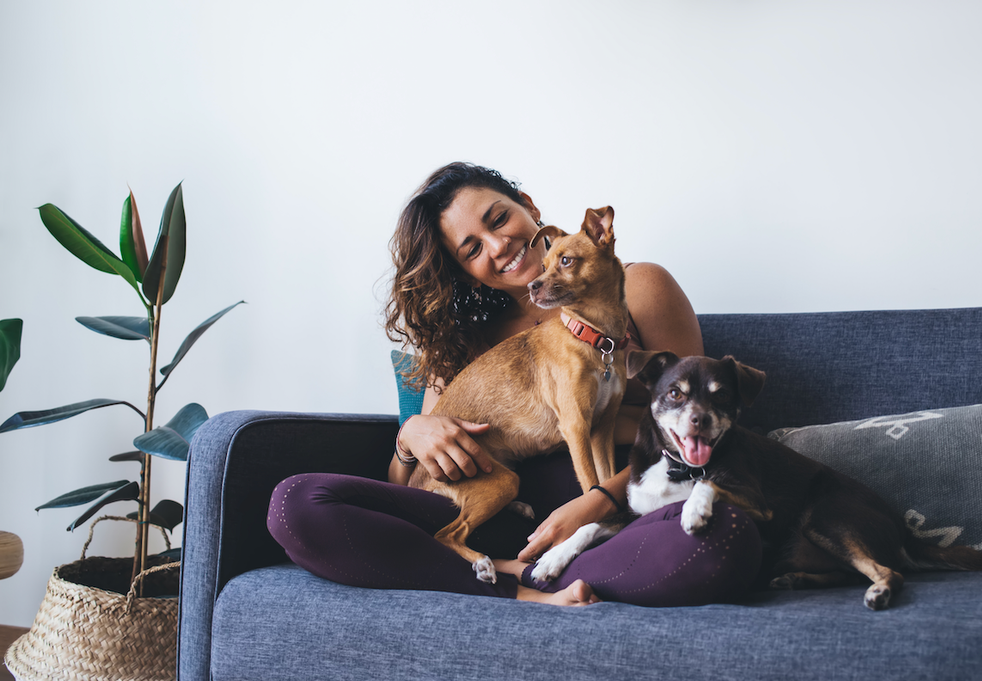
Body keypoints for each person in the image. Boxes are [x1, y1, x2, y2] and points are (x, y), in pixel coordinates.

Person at [268, 162, 761, 607]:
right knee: (295, 506)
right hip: (486, 517)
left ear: (529, 209)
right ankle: (517, 584)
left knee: (724, 537)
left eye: (498, 219)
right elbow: (407, 492)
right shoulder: (464, 349)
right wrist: (409, 437)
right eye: (472, 249)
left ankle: (500, 575)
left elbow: (701, 432)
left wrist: (598, 503)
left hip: (600, 528)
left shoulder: (639, 288)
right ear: (468, 275)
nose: (498, 245)